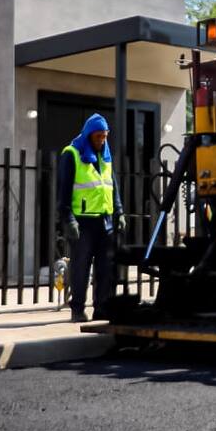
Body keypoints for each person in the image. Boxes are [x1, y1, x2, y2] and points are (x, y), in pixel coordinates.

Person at [57, 114, 125, 323]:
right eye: (98, 137)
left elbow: (111, 186)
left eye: (104, 137)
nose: (101, 141)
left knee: (105, 268)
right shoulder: (72, 154)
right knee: (81, 268)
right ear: (89, 135)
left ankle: (101, 307)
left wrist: (119, 211)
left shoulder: (105, 156)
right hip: (82, 221)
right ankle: (77, 308)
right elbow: (64, 190)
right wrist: (68, 219)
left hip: (104, 221)